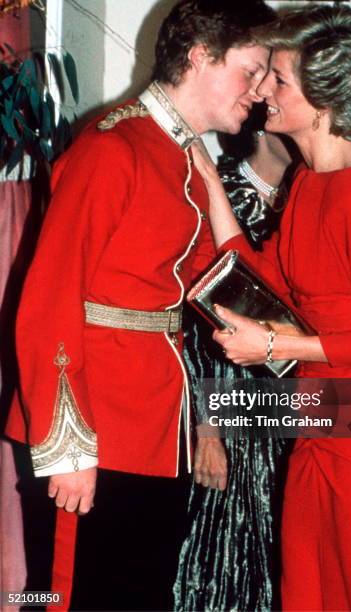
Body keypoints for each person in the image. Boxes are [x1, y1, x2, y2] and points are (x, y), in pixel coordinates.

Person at [4, 1, 275, 609]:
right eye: (250, 70)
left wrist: (212, 192)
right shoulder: (112, 148)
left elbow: (237, 296)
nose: (259, 92)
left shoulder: (182, 155)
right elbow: (47, 302)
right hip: (94, 436)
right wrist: (66, 447)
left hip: (156, 434)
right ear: (201, 56)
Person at [191, 4, 351, 611]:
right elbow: (273, 279)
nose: (262, 90)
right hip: (322, 411)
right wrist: (211, 185)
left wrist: (275, 348)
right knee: (309, 591)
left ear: (323, 100)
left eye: (279, 80)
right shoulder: (310, 181)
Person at [175, 106, 298, 611]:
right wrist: (207, 428)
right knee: (219, 567)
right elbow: (187, 322)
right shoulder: (211, 189)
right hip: (223, 414)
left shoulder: (313, 196)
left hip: (297, 416)